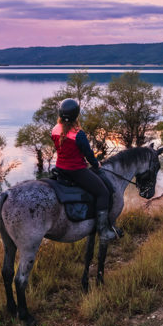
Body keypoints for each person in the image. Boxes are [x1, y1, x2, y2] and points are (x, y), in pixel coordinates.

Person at [51, 99, 119, 242]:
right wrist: (96, 165)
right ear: (76, 116)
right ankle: (103, 231)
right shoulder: (78, 134)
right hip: (76, 171)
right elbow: (88, 154)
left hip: (60, 169)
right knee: (103, 193)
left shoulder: (55, 129)